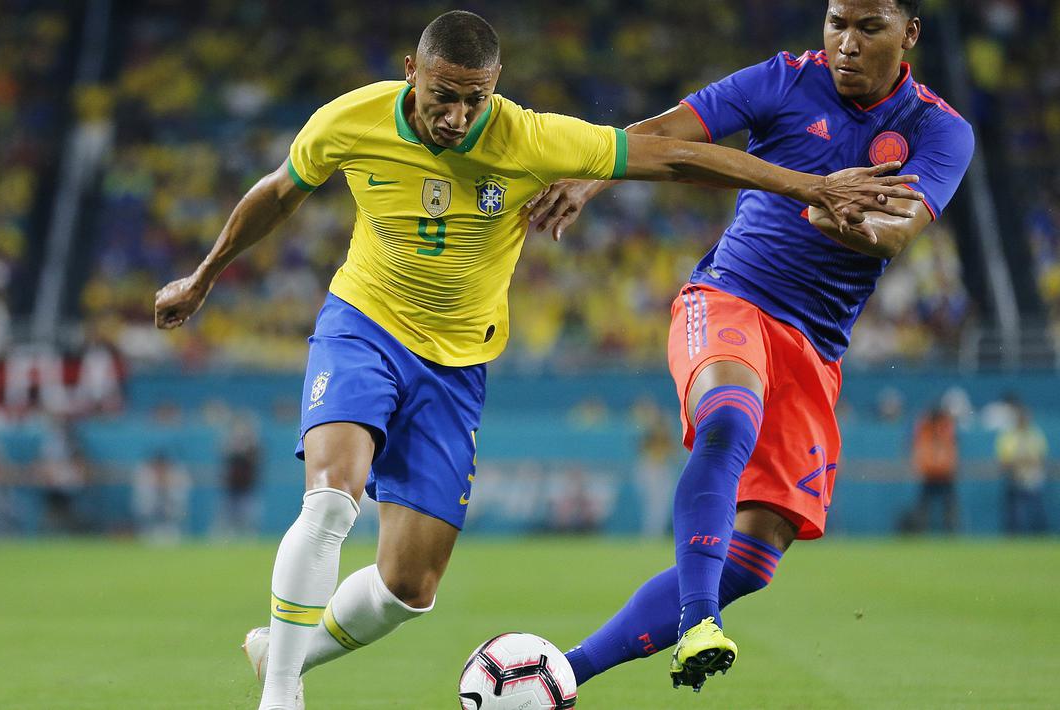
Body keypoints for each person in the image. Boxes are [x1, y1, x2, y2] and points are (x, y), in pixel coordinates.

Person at [153, 10, 920, 709]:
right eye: (442, 96)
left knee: (407, 589)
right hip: (362, 326)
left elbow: (678, 160)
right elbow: (280, 190)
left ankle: (283, 653)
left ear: (495, 89)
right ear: (411, 72)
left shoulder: (528, 137)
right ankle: (281, 694)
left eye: (474, 99)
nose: (456, 117)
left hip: (456, 367)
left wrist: (809, 185)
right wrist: (204, 275)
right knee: (330, 501)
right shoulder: (348, 119)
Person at [526, 0, 974, 692]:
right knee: (728, 415)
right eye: (835, 23)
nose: (844, 43)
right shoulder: (783, 80)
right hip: (728, 299)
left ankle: (558, 678)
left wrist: (837, 214)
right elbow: (663, 133)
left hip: (814, 348)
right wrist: (591, 176)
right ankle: (699, 622)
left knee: (753, 556)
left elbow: (896, 231)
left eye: (867, 27)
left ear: (908, 33)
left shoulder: (938, 128)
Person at [997, 400, 1049, 534]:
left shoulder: (1035, 434)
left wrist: (1024, 461)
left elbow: (1040, 458)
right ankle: (1015, 536)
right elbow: (1005, 461)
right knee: (1016, 511)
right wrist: (1021, 461)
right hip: (1015, 478)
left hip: (1033, 478)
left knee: (1037, 510)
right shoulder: (1009, 435)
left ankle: (1039, 535)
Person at [907, 406, 959, 533]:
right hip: (929, 474)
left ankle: (951, 530)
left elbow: (952, 450)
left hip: (944, 474)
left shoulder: (945, 428)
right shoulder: (925, 429)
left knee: (948, 506)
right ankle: (920, 530)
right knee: (924, 506)